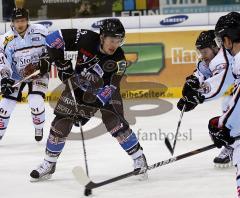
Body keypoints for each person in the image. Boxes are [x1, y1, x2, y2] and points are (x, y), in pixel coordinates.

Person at [30, 18, 148, 181]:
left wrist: (86, 111)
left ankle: (139, 158)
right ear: (102, 37)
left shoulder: (118, 61)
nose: (115, 44)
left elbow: (109, 90)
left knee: (115, 123)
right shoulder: (85, 38)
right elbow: (51, 39)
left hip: (104, 91)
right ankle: (49, 163)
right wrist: (58, 61)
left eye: (119, 40)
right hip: (77, 84)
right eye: (112, 40)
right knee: (61, 122)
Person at [177, 30, 234, 168]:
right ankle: (233, 142)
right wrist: (194, 80)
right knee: (228, 106)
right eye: (200, 52)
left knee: (228, 107)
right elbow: (202, 71)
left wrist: (197, 96)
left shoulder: (223, 60)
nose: (202, 56)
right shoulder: (212, 58)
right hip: (234, 89)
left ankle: (233, 144)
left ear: (215, 47)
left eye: (205, 52)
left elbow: (218, 85)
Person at [0, 8, 50, 141]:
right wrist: (5, 79)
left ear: (27, 20)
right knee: (4, 106)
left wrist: (47, 59)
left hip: (39, 74)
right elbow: (3, 61)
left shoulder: (41, 31)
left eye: (22, 20)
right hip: (16, 75)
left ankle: (39, 127)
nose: (20, 24)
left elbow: (52, 47)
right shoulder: (6, 40)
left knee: (35, 102)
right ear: (12, 22)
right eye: (17, 21)